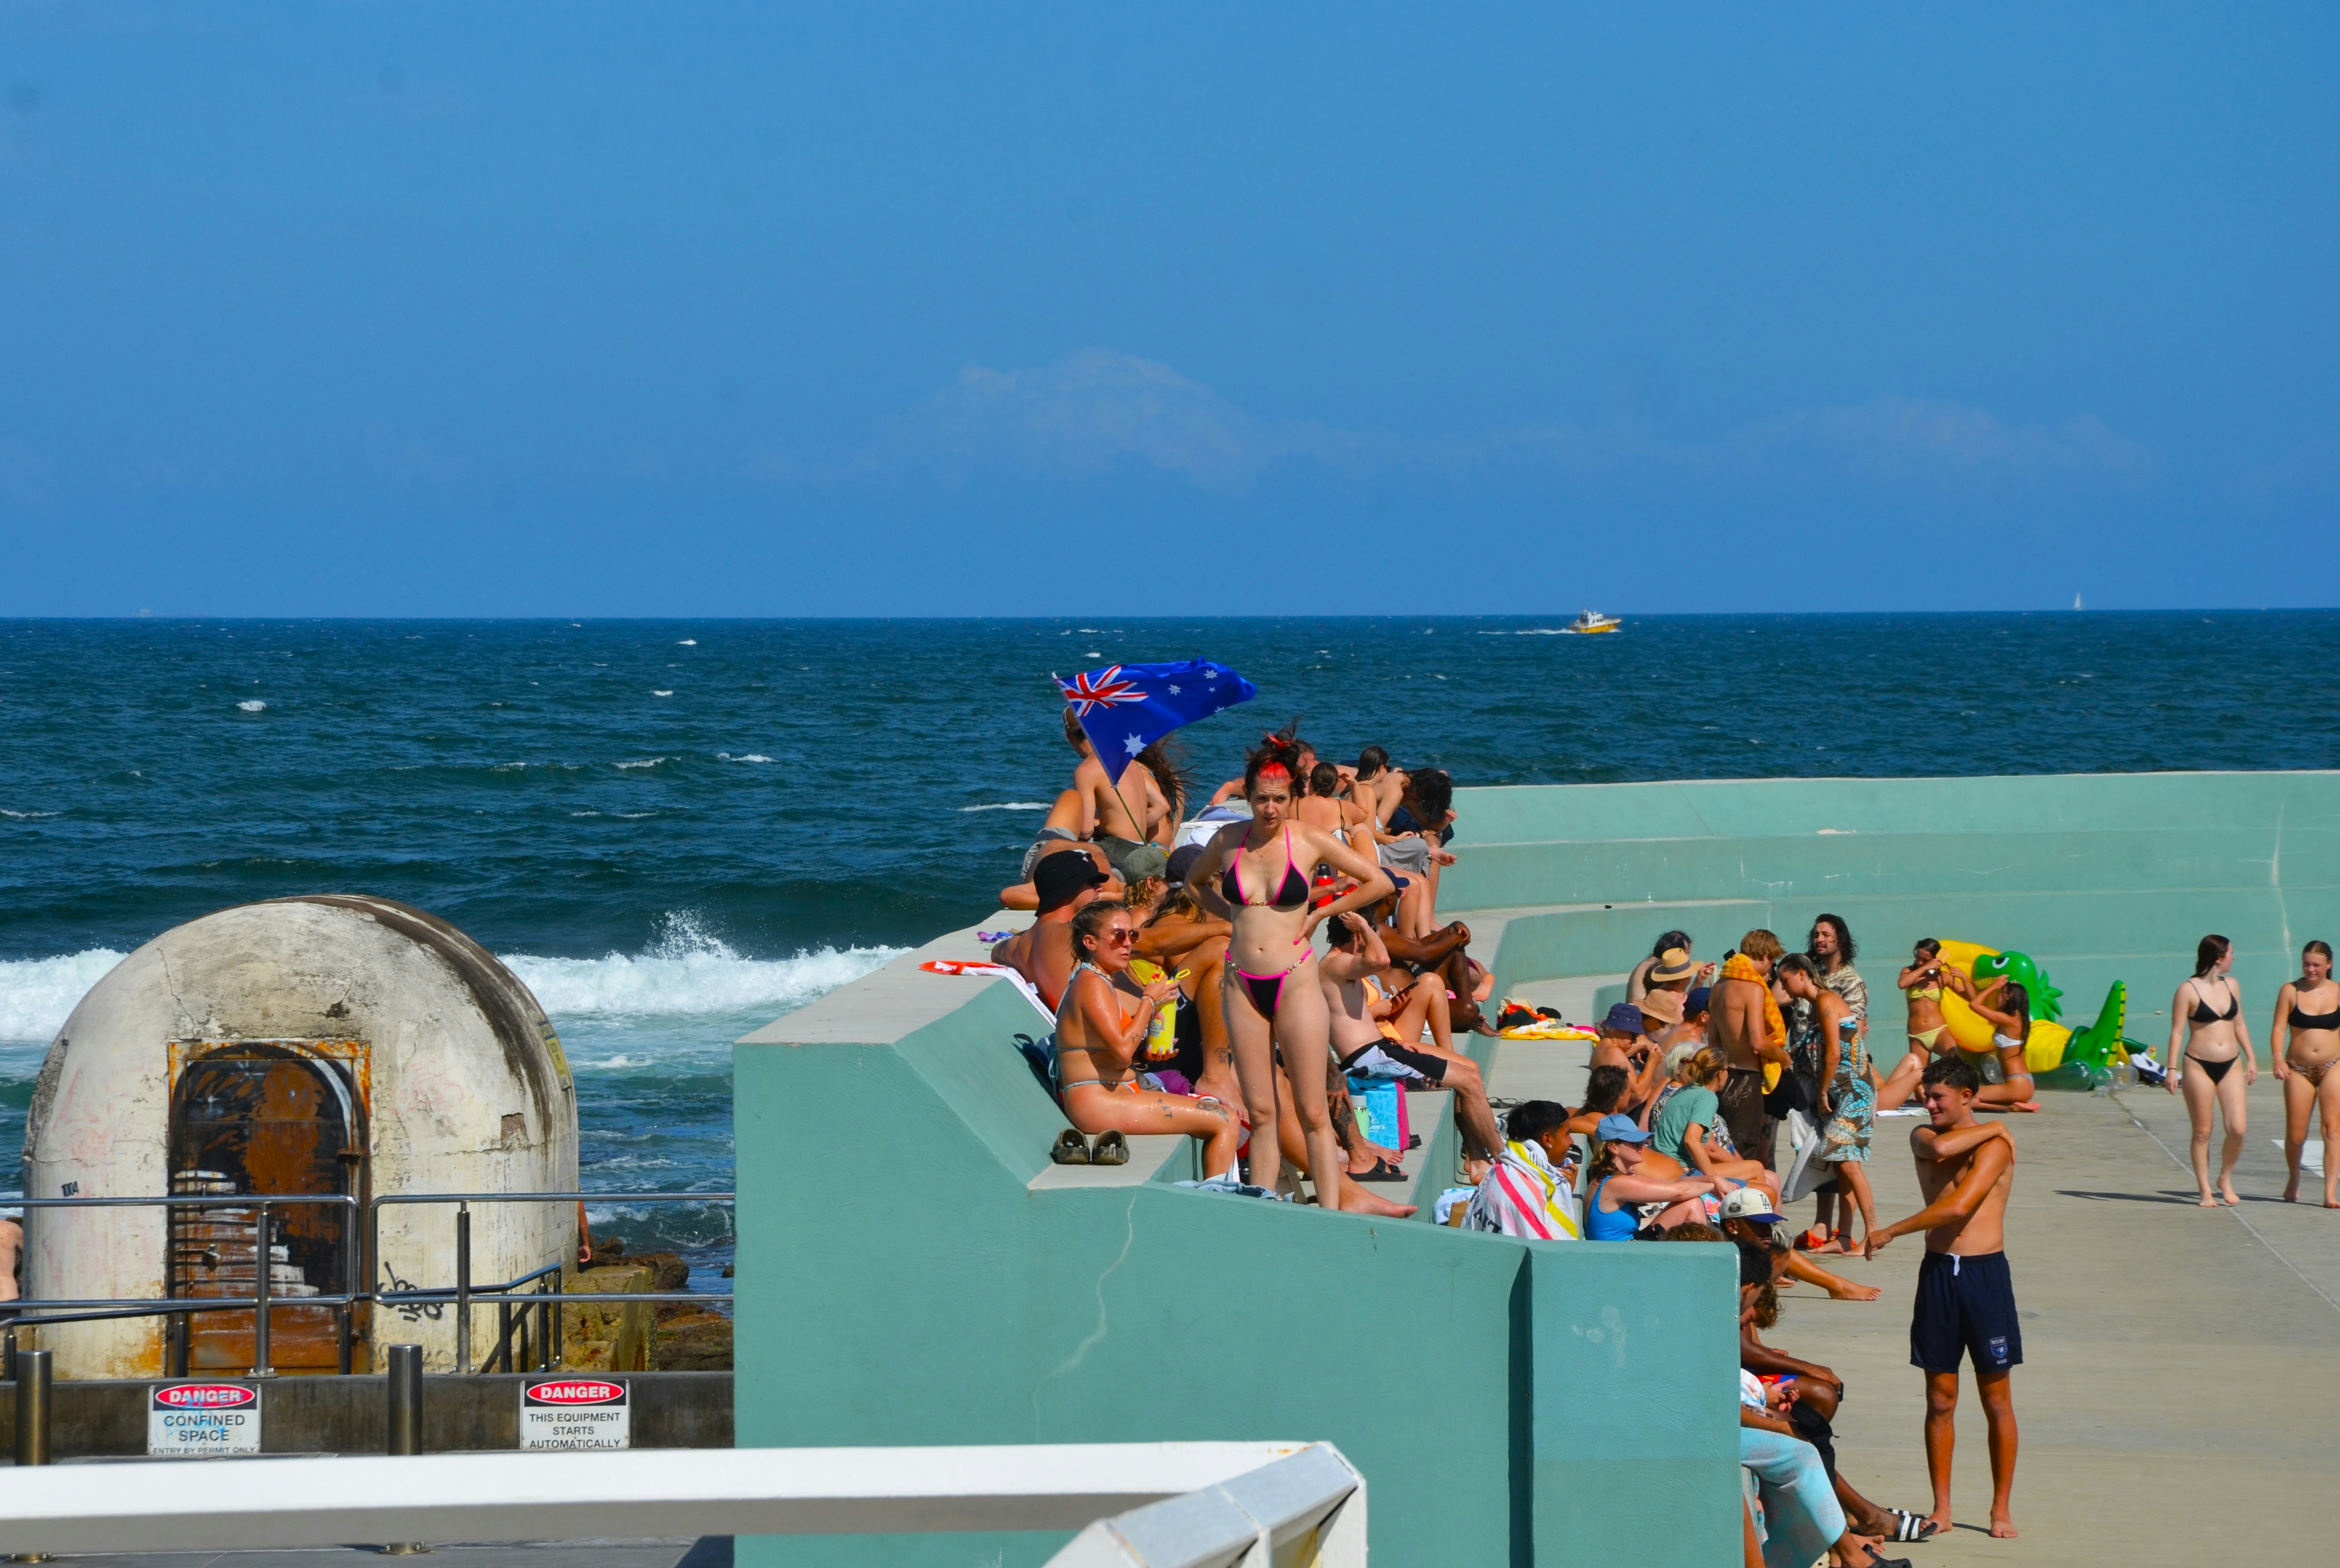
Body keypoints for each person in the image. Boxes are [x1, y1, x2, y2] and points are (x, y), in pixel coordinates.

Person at [1186, 736, 1393, 1209]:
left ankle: (1329, 1215)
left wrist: (1320, 914)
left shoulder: (1307, 840)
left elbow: (1377, 881)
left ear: (1292, 797)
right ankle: (1263, 1215)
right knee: (1260, 1113)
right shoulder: (1226, 841)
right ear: (1248, 796)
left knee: (1314, 1113)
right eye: (1261, 798)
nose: (1270, 809)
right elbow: (1194, 883)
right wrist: (1230, 916)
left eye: (1280, 799)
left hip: (1295, 981)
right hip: (1241, 983)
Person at [1867, 1056, 2022, 1541]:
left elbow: (1956, 1206)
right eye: (1925, 1095)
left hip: (1983, 1276)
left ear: (1967, 1097)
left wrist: (1890, 1230)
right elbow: (1937, 1146)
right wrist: (1994, 1120)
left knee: (1995, 1398)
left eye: (1937, 1097)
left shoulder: (1994, 1147)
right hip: (1937, 1275)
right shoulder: (1923, 1136)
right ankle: (1943, 1506)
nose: (1926, 1103)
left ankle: (2000, 1508)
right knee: (1939, 1398)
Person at [1051, 900, 1241, 1177]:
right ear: (1091, 942)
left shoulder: (1098, 979)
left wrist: (1145, 1056)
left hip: (1113, 1092)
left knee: (1218, 1111)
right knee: (1224, 1120)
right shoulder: (1091, 984)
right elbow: (1122, 1050)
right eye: (1119, 936)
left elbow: (1107, 1052)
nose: (1128, 943)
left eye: (1133, 935)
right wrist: (1150, 1000)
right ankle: (1217, 1207)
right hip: (1098, 1103)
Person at [1322, 911, 1502, 1178]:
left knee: (1470, 1073)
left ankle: (1477, 1159)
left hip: (1383, 1048)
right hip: (1369, 1057)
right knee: (1468, 1081)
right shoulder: (1336, 964)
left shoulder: (1340, 964)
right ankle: (1505, 1161)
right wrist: (1363, 925)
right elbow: (1380, 958)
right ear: (1358, 935)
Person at [1779, 957, 1875, 1252]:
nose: (1783, 987)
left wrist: (1822, 1092)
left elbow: (1834, 1053)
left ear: (1801, 974)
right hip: (1844, 1092)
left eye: (1785, 981)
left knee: (1848, 1164)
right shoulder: (1820, 1003)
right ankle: (1844, 1237)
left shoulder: (1826, 1000)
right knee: (1843, 1165)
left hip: (1854, 1092)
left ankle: (1873, 1233)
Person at [2165, 933, 2256, 1207]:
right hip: (2198, 1064)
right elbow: (2177, 1032)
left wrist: (2252, 1058)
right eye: (2231, 953)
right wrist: (2171, 1069)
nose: (2234, 958)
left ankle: (2224, 1177)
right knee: (2203, 1131)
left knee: (2238, 1129)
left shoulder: (2233, 986)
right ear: (2219, 958)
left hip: (2231, 1063)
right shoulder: (2188, 990)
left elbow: (2239, 1025)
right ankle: (2205, 1189)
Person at [1710, 929, 1792, 1166]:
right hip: (1747, 1076)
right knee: (1744, 1151)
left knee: (1725, 1146)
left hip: (1722, 1076)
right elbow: (1758, 1041)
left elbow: (1713, 1043)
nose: (1769, 970)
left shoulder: (1718, 987)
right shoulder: (1752, 988)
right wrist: (1782, 1056)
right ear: (1766, 955)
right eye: (1772, 963)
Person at [1653, 1047, 1780, 1199]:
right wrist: (1714, 1178)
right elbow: (1692, 1140)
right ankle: (1755, 1216)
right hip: (1683, 1169)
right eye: (1727, 1070)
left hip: (1667, 1165)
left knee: (1755, 1172)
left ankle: (1752, 1211)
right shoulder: (1706, 1097)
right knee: (1760, 1175)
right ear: (1721, 1074)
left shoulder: (1686, 1091)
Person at [1063, 707, 1172, 884]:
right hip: (1139, 849)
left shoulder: (1086, 770)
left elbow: (1085, 830)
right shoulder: (1128, 762)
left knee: (1054, 851)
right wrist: (1130, 824)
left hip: (1115, 851)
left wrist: (1068, 818)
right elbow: (1162, 806)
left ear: (1070, 738)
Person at [993, 852, 1113, 1010]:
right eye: (1092, 882)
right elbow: (1153, 942)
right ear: (1068, 887)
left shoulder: (1017, 944)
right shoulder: (1075, 933)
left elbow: (997, 951)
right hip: (1096, 1027)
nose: (1100, 888)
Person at [2269, 939, 2340, 1207]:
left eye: (2317, 965)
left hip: (2334, 1065)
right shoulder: (2290, 991)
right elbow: (2278, 1029)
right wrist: (2278, 1059)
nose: (2311, 969)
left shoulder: (2338, 991)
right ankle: (2294, 1177)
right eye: (2307, 964)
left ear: (2329, 965)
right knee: (2297, 1135)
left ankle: (2330, 1192)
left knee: (2333, 1130)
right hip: (2298, 1069)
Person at [1580, 1113, 1728, 1238]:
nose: (1642, 1146)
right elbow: (1679, 1192)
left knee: (1691, 1202)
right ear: (1613, 1148)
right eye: (1635, 1142)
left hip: (1625, 1250)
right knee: (1692, 1203)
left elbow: (1673, 1183)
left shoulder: (1609, 1178)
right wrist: (1714, 1186)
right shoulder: (1616, 1184)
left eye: (1642, 1141)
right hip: (1620, 1260)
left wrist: (1714, 1179)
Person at [1462, 1100, 1584, 1239]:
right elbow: (1542, 1250)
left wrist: (1568, 1188)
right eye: (1567, 1134)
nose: (1572, 1142)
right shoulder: (1522, 1191)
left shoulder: (1506, 1166)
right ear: (1548, 1140)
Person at [1943, 970, 2041, 1115]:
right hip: (2021, 1083)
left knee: (1963, 1098)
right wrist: (1964, 978)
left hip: (2017, 1085)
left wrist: (1994, 986)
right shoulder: (2015, 1018)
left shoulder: (2010, 1021)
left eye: (2001, 994)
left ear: (2009, 997)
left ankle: (2011, 1107)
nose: (1997, 997)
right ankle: (2011, 1104)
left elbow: (1974, 1005)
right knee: (1969, 1098)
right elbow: (1976, 1000)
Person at [1591, 1003, 1666, 1119]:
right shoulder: (1613, 1052)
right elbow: (1638, 1094)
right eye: (1633, 1034)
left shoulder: (1602, 1047)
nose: (1635, 1040)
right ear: (1617, 1030)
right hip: (1613, 1119)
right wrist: (1652, 1062)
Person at [1807, 914, 1868, 1019]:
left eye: (1826, 935)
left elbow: (1853, 1028)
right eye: (1816, 935)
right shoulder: (1813, 978)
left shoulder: (1850, 981)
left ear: (1840, 941)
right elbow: (1779, 998)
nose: (1819, 939)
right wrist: (1803, 959)